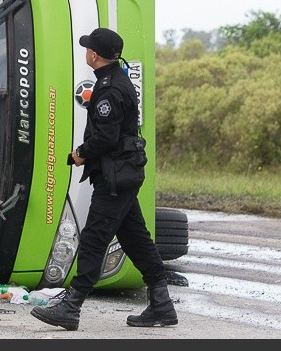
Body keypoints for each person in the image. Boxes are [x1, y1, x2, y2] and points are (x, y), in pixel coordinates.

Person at [30, 27, 177, 331]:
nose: (86, 51)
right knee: (135, 238)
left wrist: (80, 154)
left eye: (88, 48)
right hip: (122, 174)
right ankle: (161, 305)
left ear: (94, 55)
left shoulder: (110, 88)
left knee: (94, 239)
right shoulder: (114, 81)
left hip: (114, 177)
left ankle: (70, 308)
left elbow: (107, 137)